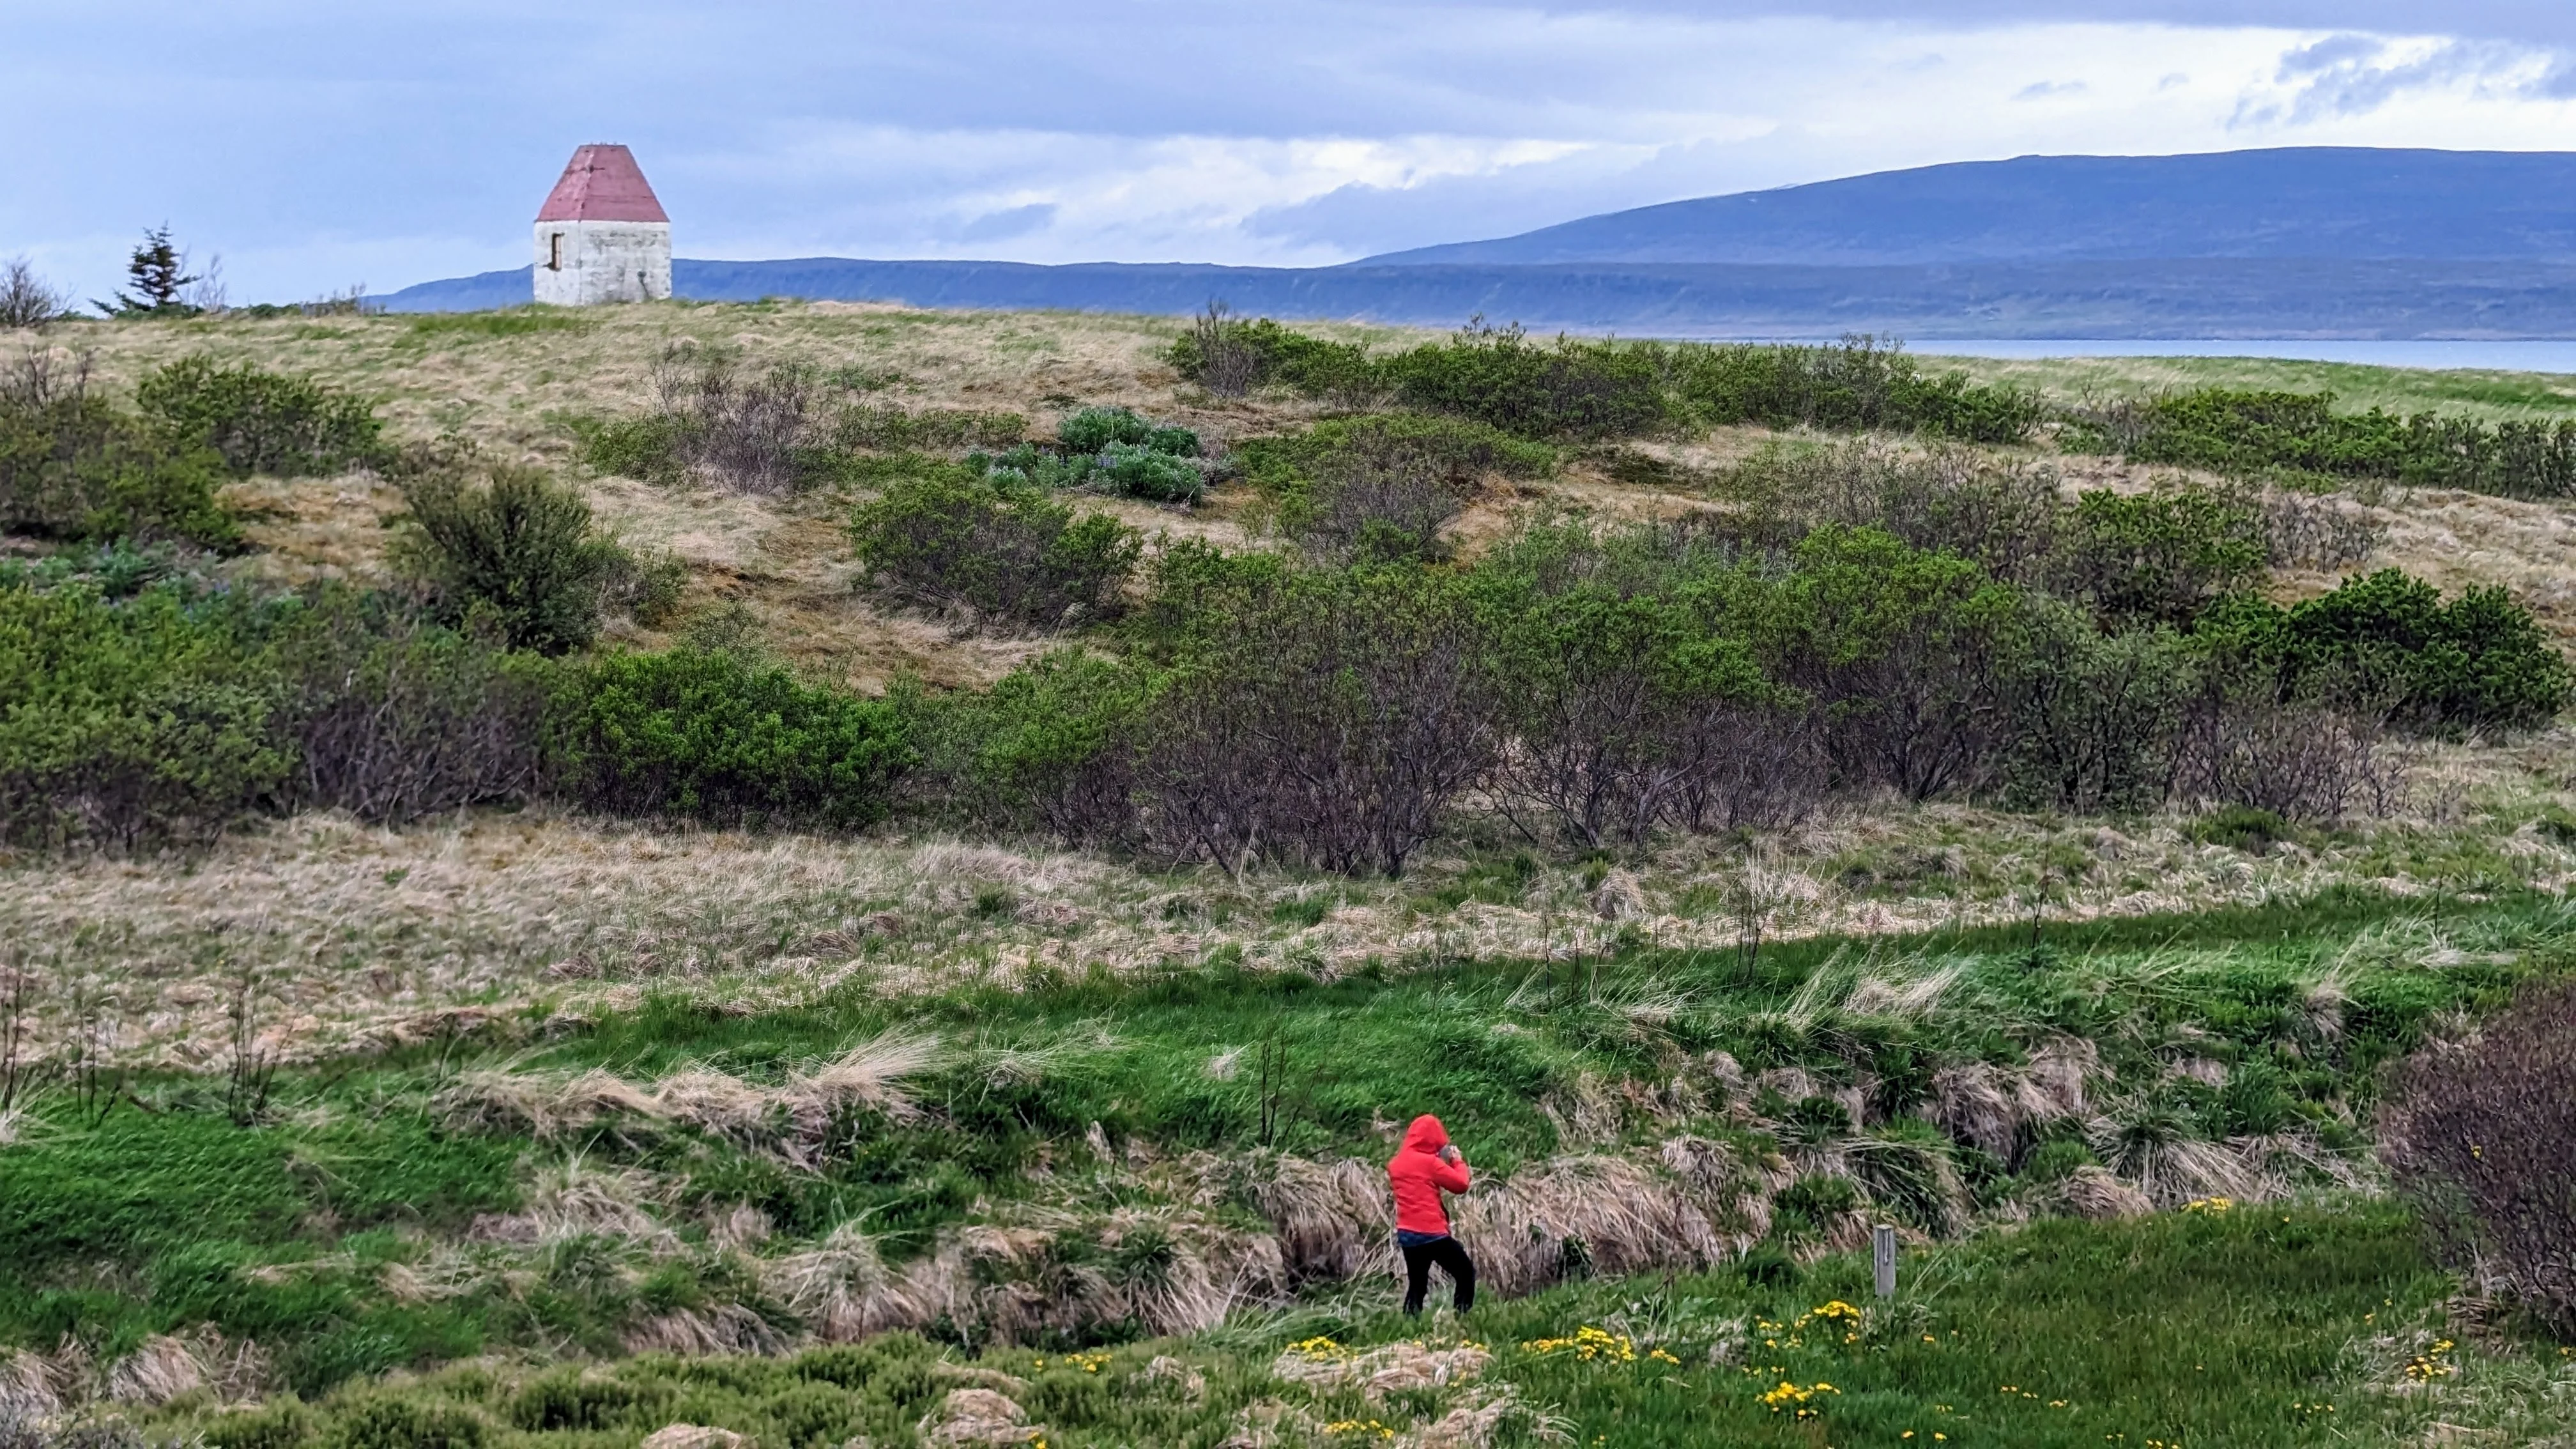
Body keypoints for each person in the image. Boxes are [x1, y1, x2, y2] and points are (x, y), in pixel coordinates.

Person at [1386, 1113, 1476, 1315]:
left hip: (1408, 1233)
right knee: (1465, 1273)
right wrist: (1457, 1162)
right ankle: (1462, 1318)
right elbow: (1461, 1185)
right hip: (1432, 1232)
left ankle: (1410, 1328)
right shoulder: (1430, 1163)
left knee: (1417, 1284)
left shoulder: (1396, 1164)